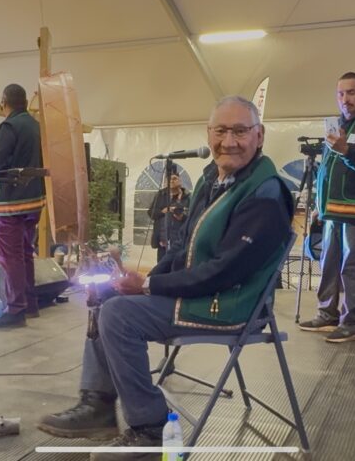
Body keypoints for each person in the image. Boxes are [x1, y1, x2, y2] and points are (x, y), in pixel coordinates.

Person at [36, 96, 293, 460]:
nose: (229, 141)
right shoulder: (213, 179)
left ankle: (150, 427)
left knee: (119, 315)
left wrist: (148, 286)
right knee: (107, 296)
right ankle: (97, 405)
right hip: (207, 292)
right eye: (221, 131)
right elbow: (181, 246)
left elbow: (226, 270)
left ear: (259, 135)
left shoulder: (266, 192)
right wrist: (141, 277)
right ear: (209, 133)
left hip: (234, 305)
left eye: (240, 131)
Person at [297, 72, 355, 343]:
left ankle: (352, 324)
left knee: (352, 265)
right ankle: (327, 314)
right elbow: (327, 169)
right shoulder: (337, 125)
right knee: (328, 262)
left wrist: (347, 150)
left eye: (351, 93)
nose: (345, 99)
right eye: (340, 94)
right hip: (331, 209)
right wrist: (319, 204)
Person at [0, 83, 45, 326]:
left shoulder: (9, 126)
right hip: (32, 200)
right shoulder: (35, 126)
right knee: (25, 253)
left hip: (8, 202)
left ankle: (15, 309)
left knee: (10, 257)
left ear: (4, 102)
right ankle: (30, 305)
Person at [146, 172, 189, 263]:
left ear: (180, 181)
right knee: (161, 267)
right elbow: (151, 213)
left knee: (177, 268)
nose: (172, 181)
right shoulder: (160, 195)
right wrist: (163, 211)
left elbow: (193, 217)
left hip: (179, 241)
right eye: (169, 179)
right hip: (163, 241)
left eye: (174, 178)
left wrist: (182, 217)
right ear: (165, 181)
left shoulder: (187, 196)